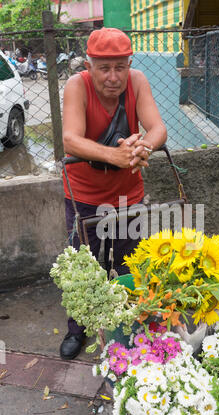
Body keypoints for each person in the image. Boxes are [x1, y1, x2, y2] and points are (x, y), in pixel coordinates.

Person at [60, 27, 167, 360]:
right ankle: (77, 329)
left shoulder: (137, 81)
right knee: (83, 263)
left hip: (127, 194)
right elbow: (70, 140)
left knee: (126, 263)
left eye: (120, 66)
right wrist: (115, 156)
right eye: (104, 68)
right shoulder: (77, 86)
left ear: (129, 63)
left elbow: (158, 127)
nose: (113, 76)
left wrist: (142, 146)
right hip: (84, 193)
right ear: (89, 65)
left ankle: (127, 324)